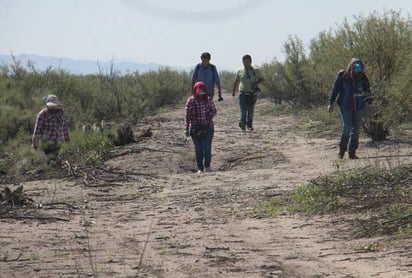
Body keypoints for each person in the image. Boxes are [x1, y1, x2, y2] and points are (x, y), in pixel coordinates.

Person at [328, 58, 371, 159]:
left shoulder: (363, 77)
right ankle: (342, 151)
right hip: (345, 105)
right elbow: (335, 90)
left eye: (359, 67)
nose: (357, 69)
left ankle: (352, 152)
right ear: (351, 66)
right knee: (347, 127)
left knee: (356, 129)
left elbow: (367, 90)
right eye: (355, 66)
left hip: (359, 106)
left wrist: (369, 101)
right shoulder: (343, 76)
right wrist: (330, 102)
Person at [185, 81, 217, 173]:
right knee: (198, 148)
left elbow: (214, 110)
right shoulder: (191, 101)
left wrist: (209, 116)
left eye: (203, 93)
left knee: (207, 147)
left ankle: (207, 166)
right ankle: (200, 168)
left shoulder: (208, 100)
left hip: (208, 127)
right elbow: (187, 116)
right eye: (199, 93)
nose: (201, 95)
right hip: (195, 129)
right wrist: (186, 129)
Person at [32, 94, 70, 165]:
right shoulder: (42, 114)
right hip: (47, 140)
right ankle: (50, 167)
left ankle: (51, 167)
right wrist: (35, 142)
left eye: (55, 105)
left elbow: (64, 125)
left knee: (53, 157)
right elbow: (37, 129)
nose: (53, 107)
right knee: (51, 157)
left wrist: (66, 137)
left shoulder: (61, 112)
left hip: (59, 140)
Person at [232, 54, 264, 131]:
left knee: (250, 110)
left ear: (250, 62)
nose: (246, 63)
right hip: (242, 93)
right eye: (244, 62)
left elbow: (262, 79)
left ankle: (249, 125)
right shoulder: (240, 71)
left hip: (252, 94)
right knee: (243, 110)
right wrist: (233, 91)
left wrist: (256, 83)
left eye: (247, 62)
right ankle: (242, 123)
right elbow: (236, 81)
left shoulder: (256, 71)